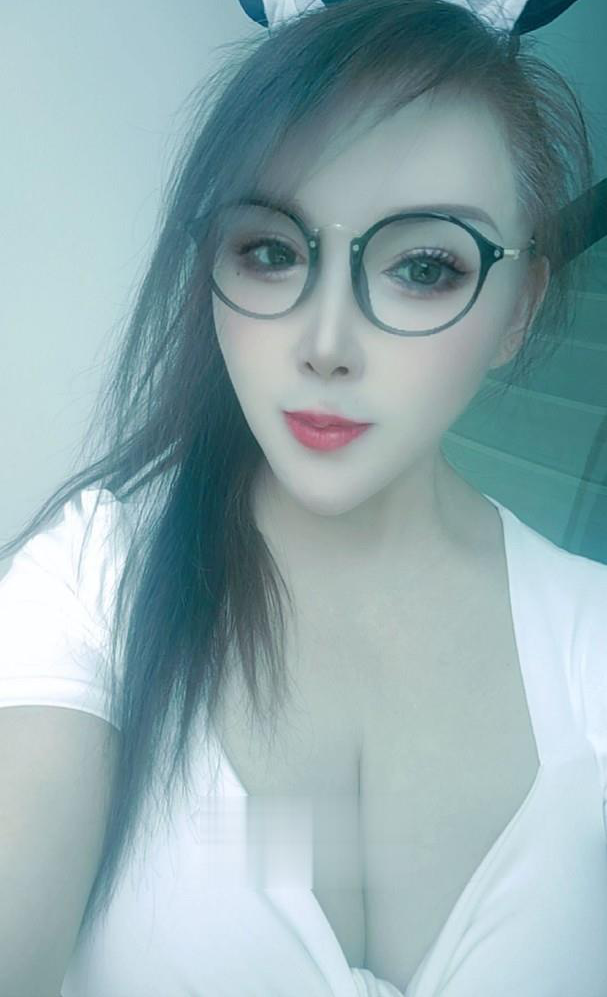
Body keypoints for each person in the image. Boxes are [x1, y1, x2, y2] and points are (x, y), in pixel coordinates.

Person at [0, 1, 605, 995]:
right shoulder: (90, 584)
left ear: (518, 308)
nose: (325, 342)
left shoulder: (592, 643)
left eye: (423, 267)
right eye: (271, 251)